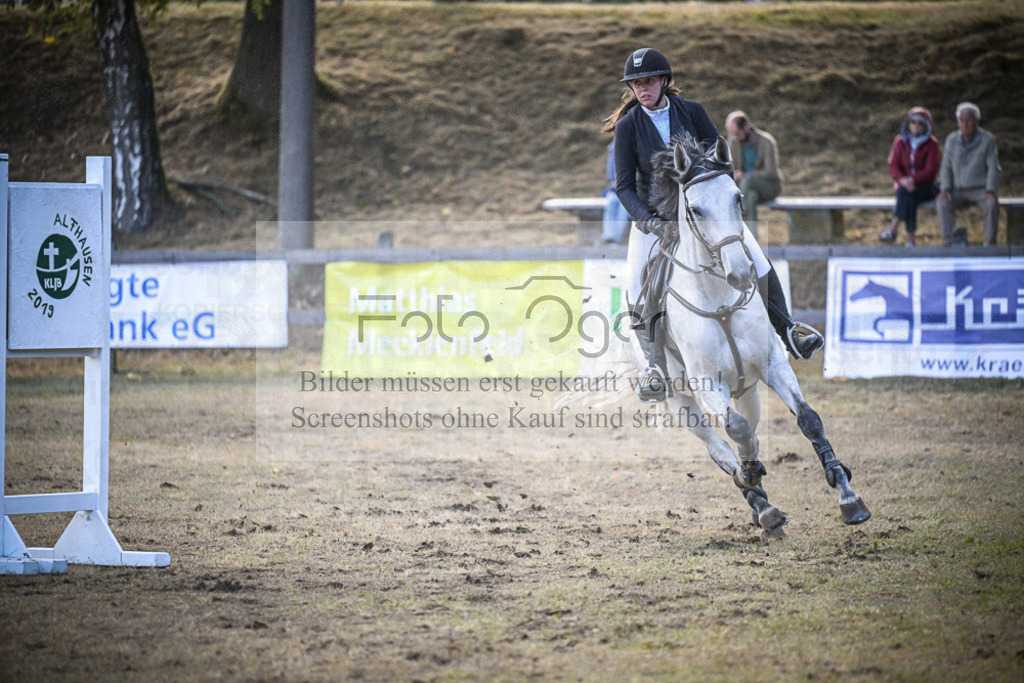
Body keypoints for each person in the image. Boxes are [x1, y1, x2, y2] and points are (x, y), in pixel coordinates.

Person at [602, 47, 823, 403]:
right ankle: (655, 366)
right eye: (636, 84)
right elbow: (624, 186)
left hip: (705, 212)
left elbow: (719, 158)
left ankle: (789, 330)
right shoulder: (629, 127)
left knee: (754, 253)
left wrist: (719, 204)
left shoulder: (692, 111)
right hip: (655, 218)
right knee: (637, 282)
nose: (642, 89)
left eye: (648, 82)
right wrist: (649, 222)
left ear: (663, 81)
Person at [936, 102, 1002, 246]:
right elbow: (945, 166)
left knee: (991, 204)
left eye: (969, 120)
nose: (965, 124)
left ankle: (989, 245)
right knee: (942, 202)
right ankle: (948, 244)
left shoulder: (987, 140)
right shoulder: (951, 140)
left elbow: (993, 167)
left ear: (977, 121)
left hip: (980, 189)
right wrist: (945, 188)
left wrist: (991, 190)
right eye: (962, 120)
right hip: (957, 189)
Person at [879, 106, 941, 247]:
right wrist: (902, 180)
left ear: (926, 125)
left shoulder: (932, 144)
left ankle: (893, 229)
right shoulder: (900, 142)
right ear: (908, 123)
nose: (916, 125)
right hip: (905, 186)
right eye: (913, 122)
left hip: (926, 187)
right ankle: (910, 239)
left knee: (905, 193)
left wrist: (912, 180)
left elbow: (931, 170)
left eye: (920, 123)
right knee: (908, 196)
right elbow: (893, 164)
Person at [724, 110, 783, 232]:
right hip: (746, 190)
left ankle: (740, 212)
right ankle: (752, 240)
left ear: (746, 127)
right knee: (751, 197)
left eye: (738, 133)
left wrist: (745, 175)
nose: (735, 137)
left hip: (769, 186)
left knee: (747, 181)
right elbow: (730, 165)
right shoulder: (734, 141)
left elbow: (771, 172)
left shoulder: (767, 142)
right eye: (733, 134)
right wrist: (734, 174)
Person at [601, 139, 631, 244]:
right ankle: (609, 237)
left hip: (628, 191)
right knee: (610, 206)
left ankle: (615, 240)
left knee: (623, 212)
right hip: (614, 190)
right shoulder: (613, 147)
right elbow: (610, 175)